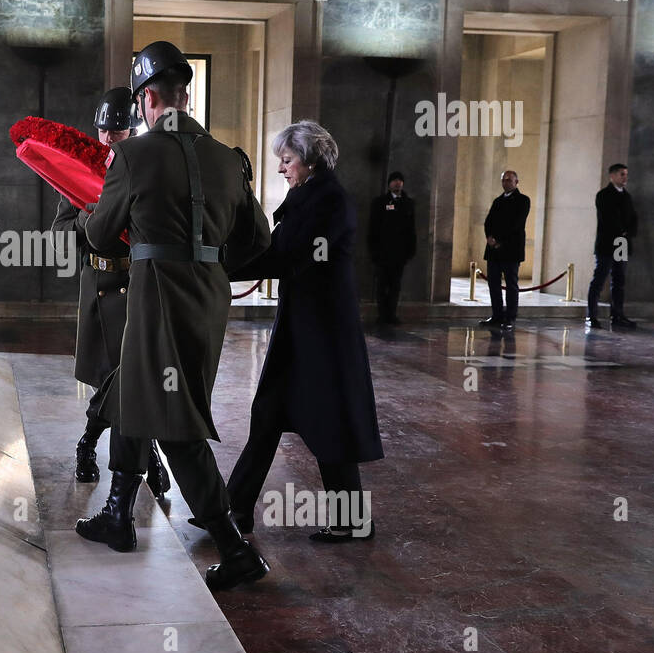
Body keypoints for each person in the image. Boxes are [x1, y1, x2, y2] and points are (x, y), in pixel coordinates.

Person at [77, 40, 268, 591]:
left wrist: (100, 207)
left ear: (147, 99)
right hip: (208, 299)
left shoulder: (134, 156)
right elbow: (256, 240)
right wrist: (206, 256)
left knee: (171, 418)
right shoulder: (229, 158)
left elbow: (96, 232)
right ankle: (118, 512)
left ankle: (234, 549)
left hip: (155, 295)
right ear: (184, 94)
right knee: (136, 395)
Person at [226, 120, 384, 542]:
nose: (281, 168)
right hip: (305, 327)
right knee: (268, 415)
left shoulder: (326, 200)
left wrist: (219, 269)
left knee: (328, 422)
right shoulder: (313, 196)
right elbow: (280, 253)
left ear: (310, 160)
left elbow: (283, 255)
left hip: (321, 332)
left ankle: (351, 520)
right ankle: (235, 509)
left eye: (287, 159)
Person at [51, 88, 170, 495]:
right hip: (98, 289)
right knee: (110, 377)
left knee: (129, 380)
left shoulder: (143, 168)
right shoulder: (77, 172)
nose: (106, 140)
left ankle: (101, 445)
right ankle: (115, 449)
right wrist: (87, 219)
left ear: (131, 131)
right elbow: (60, 234)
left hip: (137, 288)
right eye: (103, 131)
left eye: (116, 133)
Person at [586, 163, 638, 329]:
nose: (625, 178)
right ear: (613, 176)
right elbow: (608, 218)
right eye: (622, 174)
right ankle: (591, 316)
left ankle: (618, 315)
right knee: (599, 279)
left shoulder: (627, 196)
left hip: (622, 243)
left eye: (626, 174)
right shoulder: (603, 195)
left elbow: (633, 218)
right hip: (607, 243)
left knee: (619, 280)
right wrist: (621, 231)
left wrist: (628, 232)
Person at [480, 170, 531, 332]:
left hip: (511, 249)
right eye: (504, 180)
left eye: (509, 180)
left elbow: (516, 224)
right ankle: (497, 315)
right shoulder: (498, 201)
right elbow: (488, 221)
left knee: (511, 284)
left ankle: (510, 317)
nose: (506, 183)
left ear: (517, 182)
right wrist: (489, 237)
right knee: (493, 284)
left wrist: (499, 240)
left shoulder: (523, 200)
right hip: (494, 250)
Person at [367, 170, 416, 325]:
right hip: (382, 252)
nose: (397, 183)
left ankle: (392, 314)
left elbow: (411, 229)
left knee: (395, 285)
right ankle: (382, 315)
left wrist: (410, 250)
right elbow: (373, 228)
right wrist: (373, 250)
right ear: (389, 184)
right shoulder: (380, 202)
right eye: (394, 180)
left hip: (399, 253)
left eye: (399, 180)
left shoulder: (408, 203)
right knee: (382, 285)